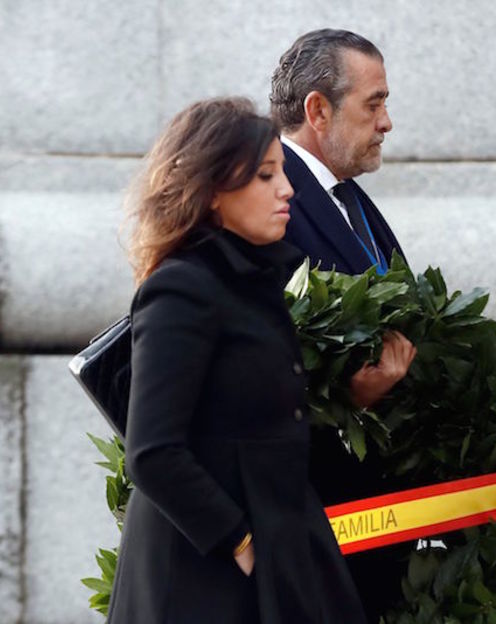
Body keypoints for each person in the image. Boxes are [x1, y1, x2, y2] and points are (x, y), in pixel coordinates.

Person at [107, 97, 366, 623]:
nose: (288, 189)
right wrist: (240, 541)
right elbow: (153, 451)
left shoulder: (250, 282)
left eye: (283, 173)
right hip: (205, 581)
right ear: (214, 190)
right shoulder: (182, 288)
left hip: (273, 556)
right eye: (266, 175)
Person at [270, 28, 416, 621]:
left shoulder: (347, 196)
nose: (386, 122)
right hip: (315, 518)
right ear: (318, 110)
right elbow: (258, 357)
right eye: (374, 103)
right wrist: (349, 399)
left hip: (369, 514)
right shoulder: (272, 199)